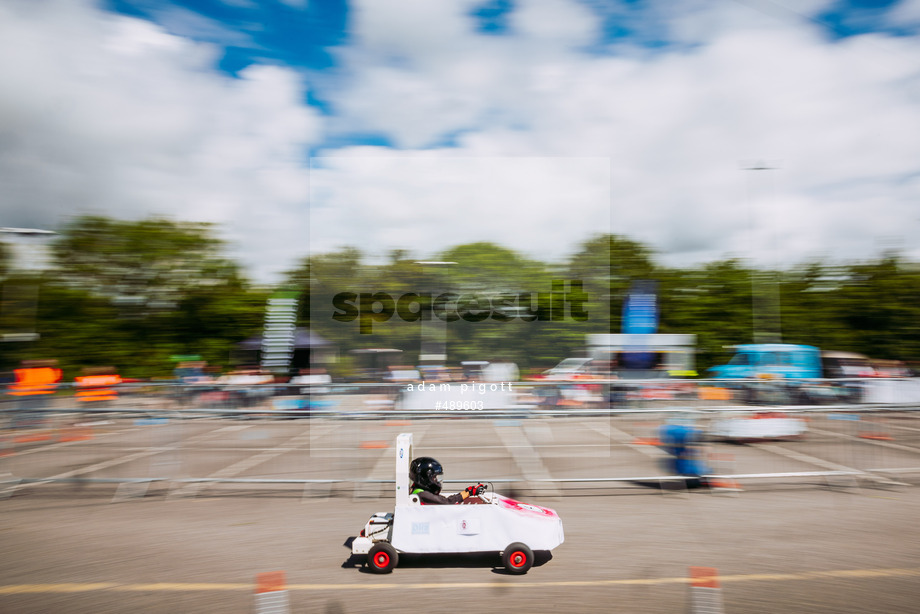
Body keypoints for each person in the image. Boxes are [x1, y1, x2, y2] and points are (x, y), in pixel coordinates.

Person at [409, 457, 485, 504]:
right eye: (434, 477)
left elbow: (444, 499)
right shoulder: (422, 494)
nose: (436, 480)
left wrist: (466, 492)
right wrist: (469, 492)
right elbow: (447, 502)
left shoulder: (418, 491)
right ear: (425, 478)